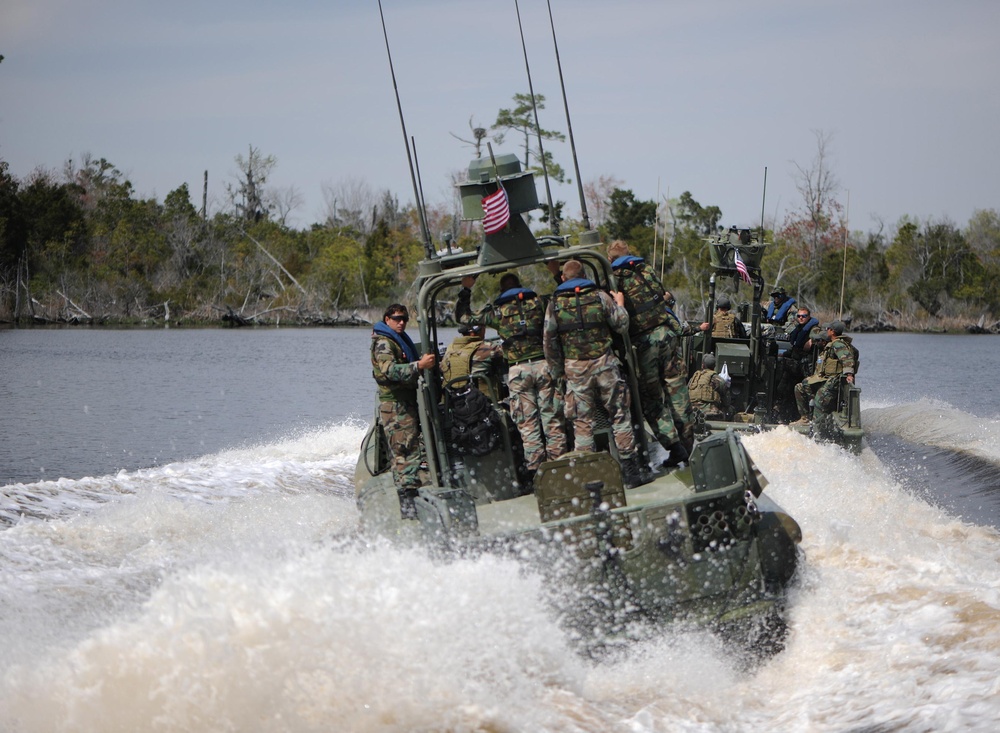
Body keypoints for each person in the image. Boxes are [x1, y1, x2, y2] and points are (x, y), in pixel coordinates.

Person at [455, 271, 566, 483]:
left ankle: (539, 477)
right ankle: (559, 467)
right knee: (552, 421)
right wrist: (556, 273)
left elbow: (464, 318)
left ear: (502, 291)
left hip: (518, 370)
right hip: (544, 366)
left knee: (528, 424)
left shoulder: (497, 312)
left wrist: (466, 289)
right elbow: (564, 299)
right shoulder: (541, 303)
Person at [543, 259, 643, 487]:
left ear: (564, 278)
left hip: (575, 368)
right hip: (605, 364)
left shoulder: (555, 304)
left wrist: (558, 371)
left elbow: (549, 341)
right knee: (619, 415)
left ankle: (589, 476)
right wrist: (619, 303)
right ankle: (631, 471)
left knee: (582, 422)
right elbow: (621, 324)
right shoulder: (599, 296)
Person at [608, 239, 688, 467]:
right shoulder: (646, 270)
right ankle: (690, 447)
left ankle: (674, 446)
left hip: (644, 344)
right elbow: (663, 295)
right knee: (678, 393)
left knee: (651, 400)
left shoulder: (614, 279)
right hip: (667, 335)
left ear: (611, 260)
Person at [370, 303, 437, 519]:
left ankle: (414, 503)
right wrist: (419, 366)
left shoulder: (396, 340)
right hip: (395, 405)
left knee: (412, 450)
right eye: (397, 318)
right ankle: (408, 511)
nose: (401, 322)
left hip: (405, 402)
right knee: (404, 453)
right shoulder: (383, 343)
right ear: (387, 319)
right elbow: (389, 371)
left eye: (404, 319)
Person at [792, 320, 857, 425]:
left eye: (828, 329)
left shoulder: (838, 344)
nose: (827, 331)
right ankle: (805, 418)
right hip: (825, 378)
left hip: (833, 380)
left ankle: (818, 425)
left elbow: (847, 359)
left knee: (819, 398)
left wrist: (849, 374)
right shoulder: (830, 344)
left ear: (832, 331)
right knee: (799, 387)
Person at [440, 323, 502, 396]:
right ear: (472, 333)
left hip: (455, 401)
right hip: (484, 402)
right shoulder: (489, 349)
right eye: (483, 328)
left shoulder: (449, 349)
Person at [688, 353, 730, 420]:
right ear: (714, 366)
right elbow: (726, 399)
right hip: (708, 412)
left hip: (692, 410)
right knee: (730, 410)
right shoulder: (717, 379)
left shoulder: (694, 378)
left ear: (702, 365)